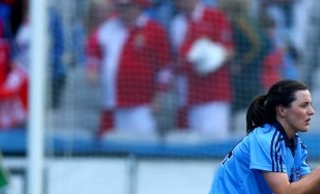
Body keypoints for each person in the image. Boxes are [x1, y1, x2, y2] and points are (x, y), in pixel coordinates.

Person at [87, 0, 172, 135]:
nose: (123, 10)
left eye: (128, 6)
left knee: (142, 144)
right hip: (112, 104)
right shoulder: (107, 29)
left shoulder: (154, 30)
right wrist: (92, 69)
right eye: (120, 6)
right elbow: (93, 52)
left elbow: (165, 68)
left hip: (141, 105)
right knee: (110, 146)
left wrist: (159, 95)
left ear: (139, 7)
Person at [172, 0, 234, 136]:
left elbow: (229, 50)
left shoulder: (215, 17)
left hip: (213, 96)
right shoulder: (177, 23)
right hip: (188, 94)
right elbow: (177, 58)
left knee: (215, 141)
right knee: (191, 143)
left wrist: (211, 58)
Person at [219, 0, 268, 112]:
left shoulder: (242, 21)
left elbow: (261, 45)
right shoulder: (234, 21)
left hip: (247, 78)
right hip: (238, 78)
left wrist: (241, 62)